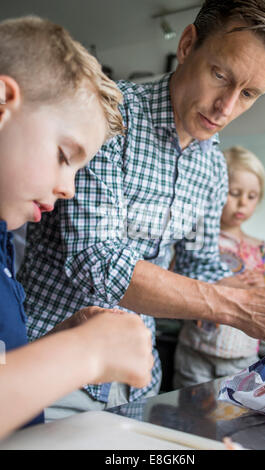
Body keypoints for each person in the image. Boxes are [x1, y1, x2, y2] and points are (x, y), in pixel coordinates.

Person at [18, 0, 265, 418]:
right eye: (220, 75)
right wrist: (236, 307)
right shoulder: (110, 116)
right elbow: (96, 262)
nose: (226, 107)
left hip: (134, 380)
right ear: (187, 44)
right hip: (48, 371)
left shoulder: (211, 165)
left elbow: (198, 269)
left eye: (249, 94)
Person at [0, 16, 153, 440]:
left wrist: (53, 342)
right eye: (66, 156)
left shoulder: (3, 245)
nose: (69, 188)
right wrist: (85, 352)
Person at [173, 145, 265, 387]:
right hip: (195, 351)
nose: (242, 203)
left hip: (243, 358)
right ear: (216, 192)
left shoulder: (261, 249)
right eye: (234, 192)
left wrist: (261, 286)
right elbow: (178, 278)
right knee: (188, 419)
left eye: (251, 196)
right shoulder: (197, 240)